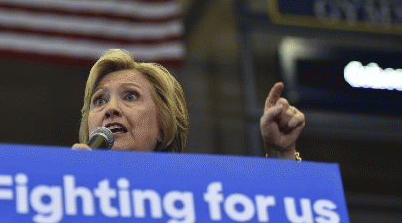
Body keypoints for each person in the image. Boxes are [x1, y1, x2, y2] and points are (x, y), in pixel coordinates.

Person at [73, 49, 305, 160]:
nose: (110, 108)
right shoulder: (57, 195)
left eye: (131, 96)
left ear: (163, 126)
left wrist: (280, 153)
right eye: (100, 100)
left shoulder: (199, 196)